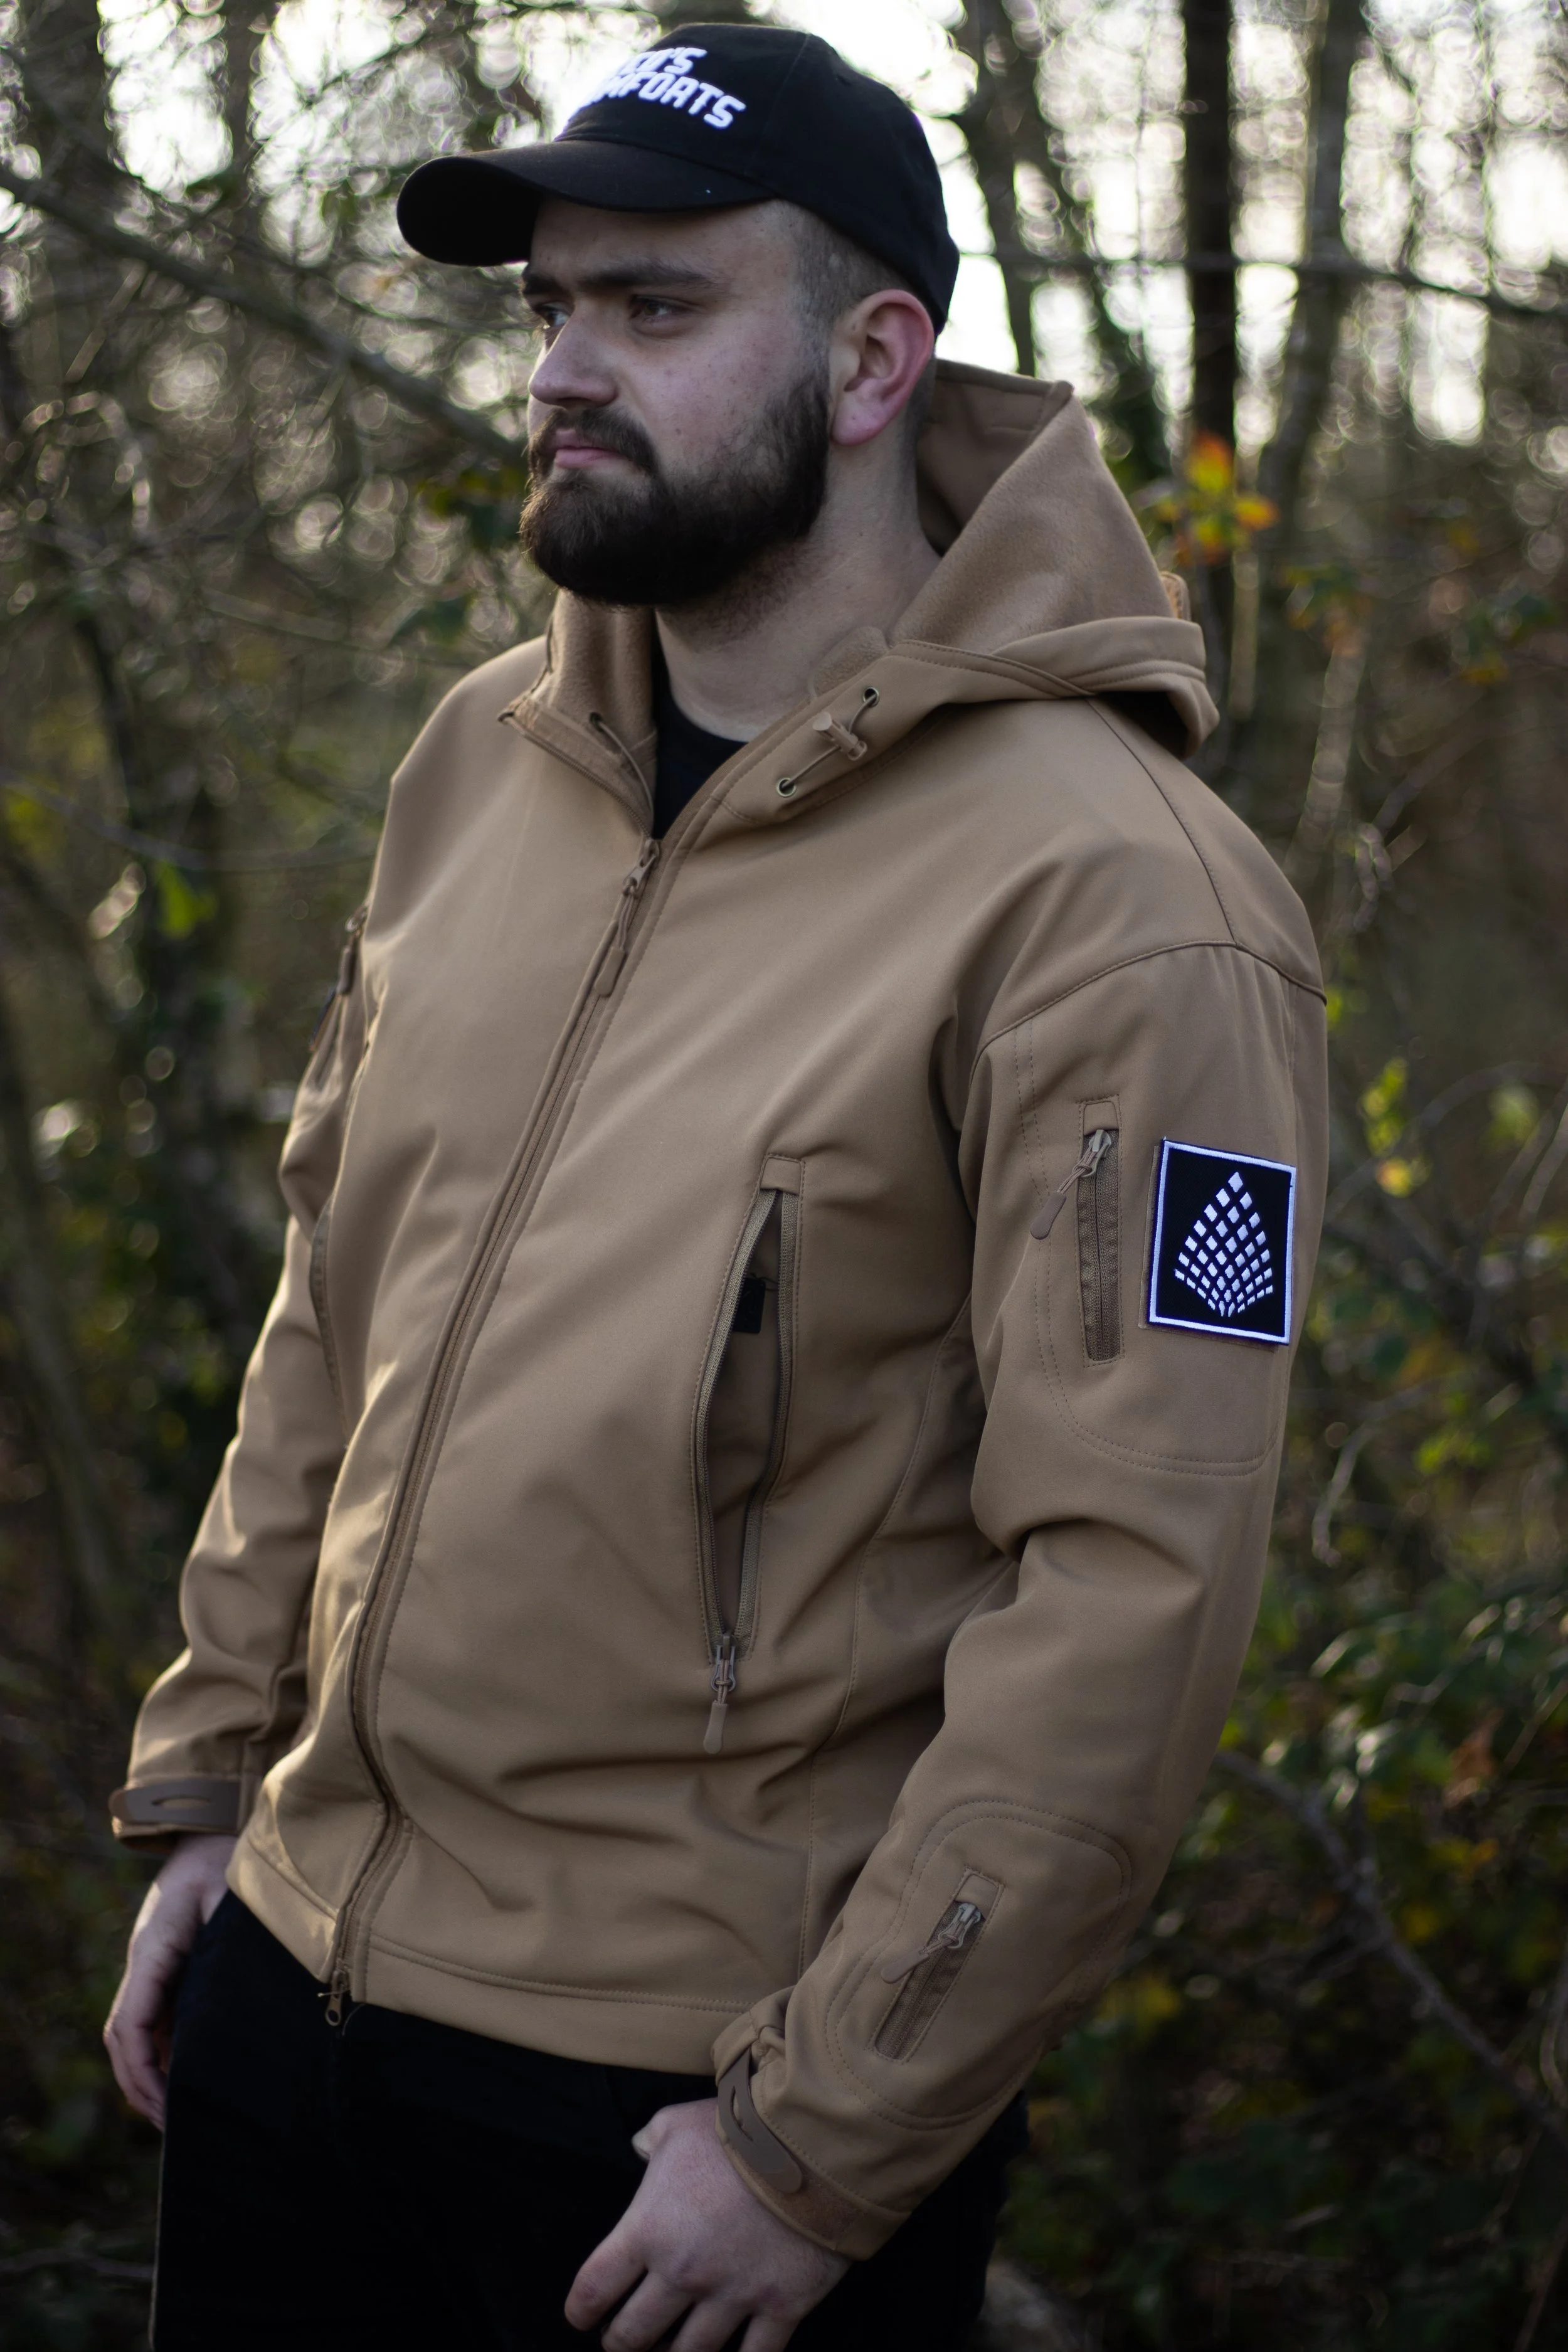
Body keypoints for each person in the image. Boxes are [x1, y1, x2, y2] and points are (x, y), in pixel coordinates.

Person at [103, 23, 1327, 2351]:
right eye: (552, 304)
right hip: (289, 2007)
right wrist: (206, 1792)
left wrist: (824, 2135)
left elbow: (1134, 1590)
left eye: (655, 309)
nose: (565, 366)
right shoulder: (485, 757)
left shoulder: (1120, 895)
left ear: (874, 361)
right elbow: (330, 1309)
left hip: (677, 2136)